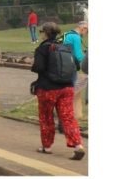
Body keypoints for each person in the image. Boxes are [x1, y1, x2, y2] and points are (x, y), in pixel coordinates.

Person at [31, 22, 85, 159]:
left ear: (45, 33)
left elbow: (38, 67)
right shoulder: (65, 47)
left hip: (48, 88)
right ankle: (78, 145)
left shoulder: (43, 48)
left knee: (46, 117)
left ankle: (47, 146)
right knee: (68, 117)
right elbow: (76, 65)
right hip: (67, 87)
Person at [63, 22, 88, 120]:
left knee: (71, 90)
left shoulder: (67, 34)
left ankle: (77, 114)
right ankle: (73, 114)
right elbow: (78, 55)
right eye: (87, 30)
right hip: (72, 66)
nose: (86, 33)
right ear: (83, 28)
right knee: (75, 91)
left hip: (63, 65)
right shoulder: (76, 37)